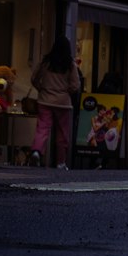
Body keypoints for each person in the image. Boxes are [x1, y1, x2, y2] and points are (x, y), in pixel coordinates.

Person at [28, 35, 81, 169]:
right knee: (62, 133)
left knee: (42, 128)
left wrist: (41, 89)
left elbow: (34, 78)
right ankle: (61, 162)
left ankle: (37, 151)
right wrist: (65, 91)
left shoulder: (46, 62)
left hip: (45, 100)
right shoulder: (70, 64)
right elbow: (76, 85)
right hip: (63, 102)